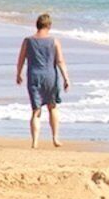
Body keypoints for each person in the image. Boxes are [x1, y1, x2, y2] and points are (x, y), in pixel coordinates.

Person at [15, 13, 70, 144]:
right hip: (50, 76)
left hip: (34, 76)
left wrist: (18, 74)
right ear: (49, 26)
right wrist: (66, 78)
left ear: (37, 25)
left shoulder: (28, 41)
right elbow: (60, 61)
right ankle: (55, 138)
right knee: (52, 107)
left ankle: (35, 141)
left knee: (36, 111)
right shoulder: (54, 41)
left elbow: (21, 59)